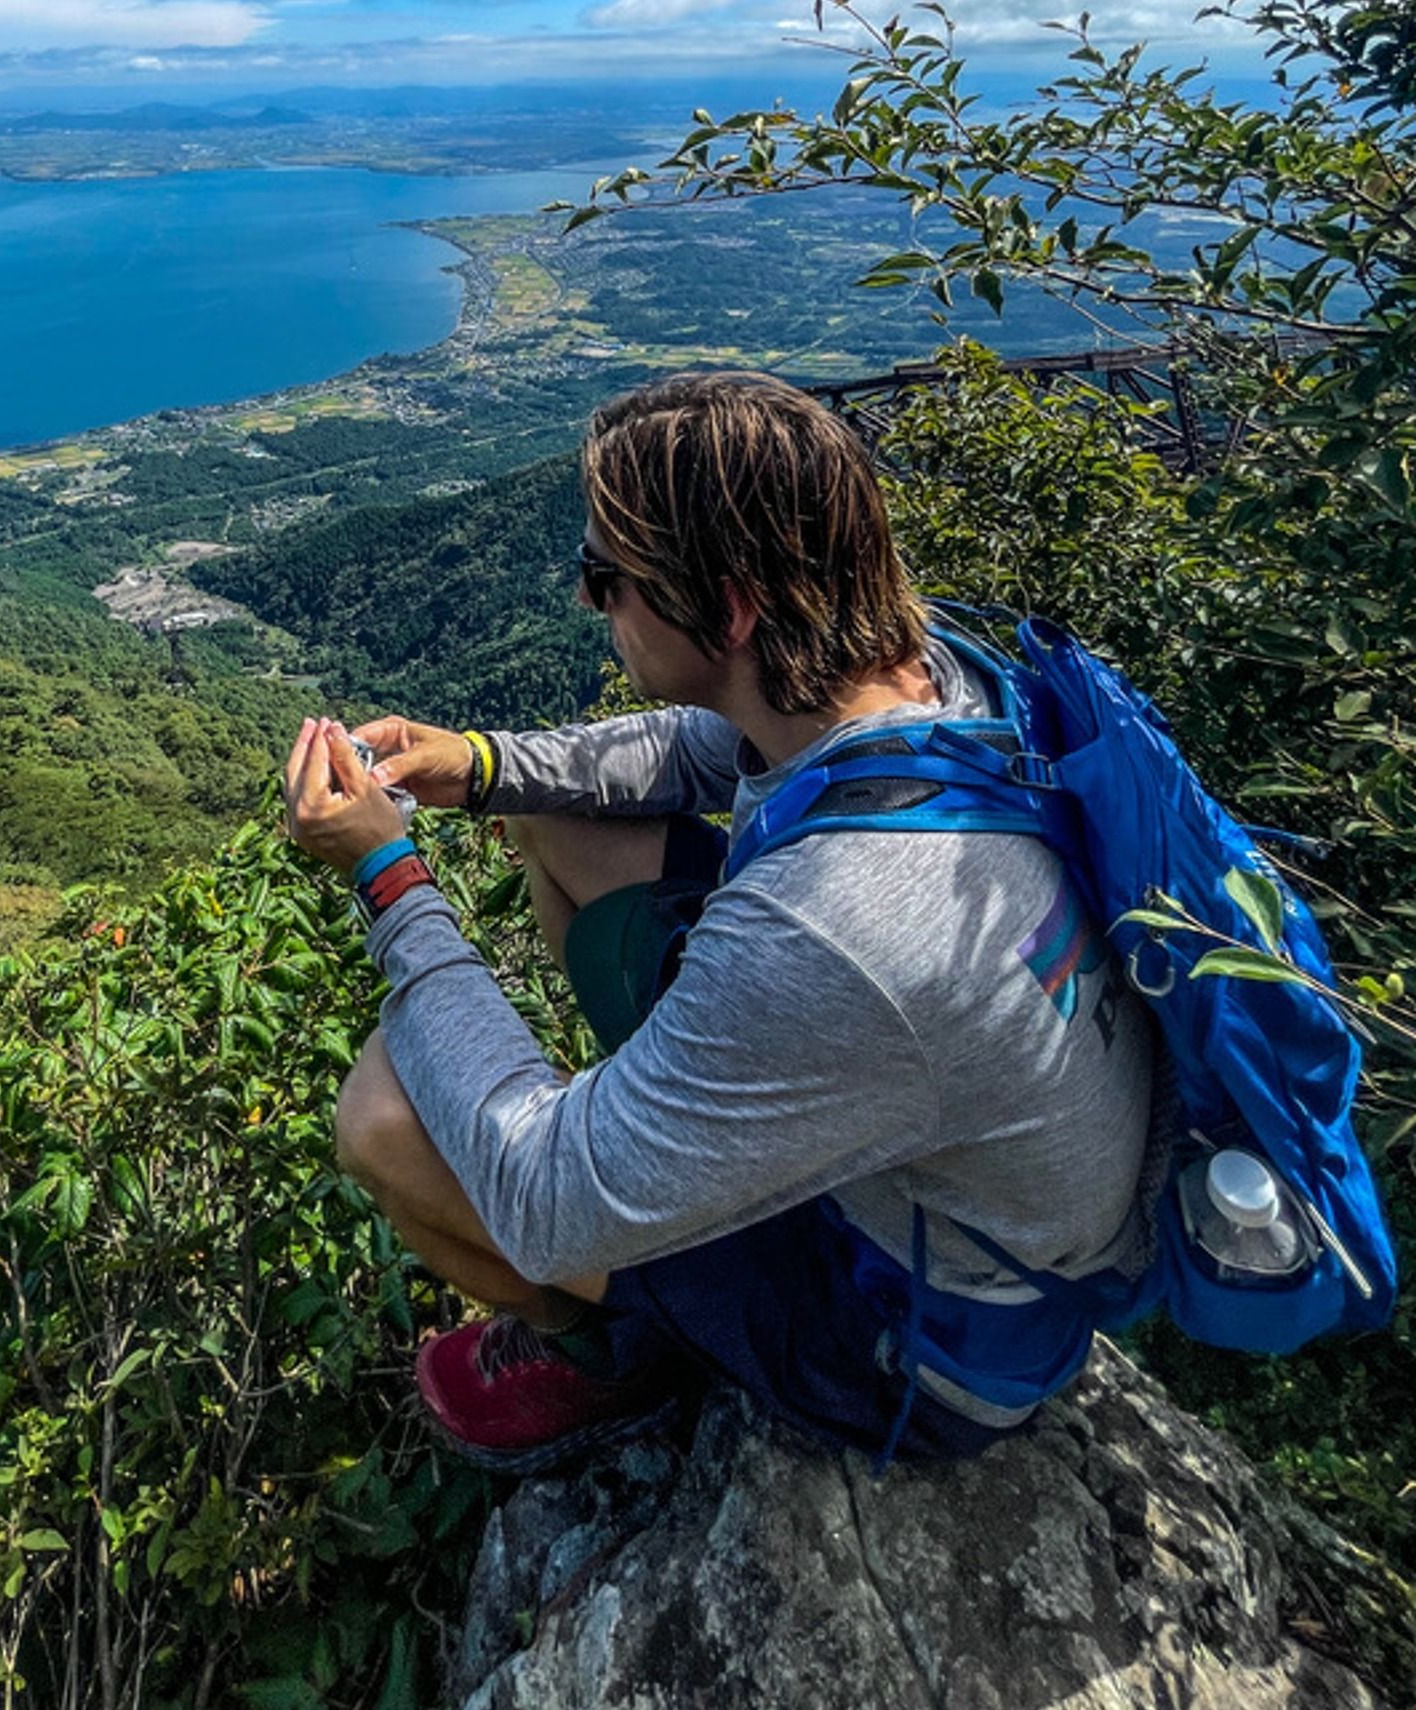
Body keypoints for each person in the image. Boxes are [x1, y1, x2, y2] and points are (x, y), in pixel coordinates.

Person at [281, 370, 1159, 1474]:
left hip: (910, 1340)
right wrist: (483, 765)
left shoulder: (831, 930)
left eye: (604, 579)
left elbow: (547, 1203)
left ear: (731, 606)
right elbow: (705, 751)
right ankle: (664, 1143)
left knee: (379, 1116)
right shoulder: (929, 681)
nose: (587, 601)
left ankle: (607, 1355)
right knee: (554, 820)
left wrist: (388, 875)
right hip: (953, 1187)